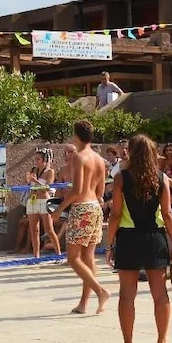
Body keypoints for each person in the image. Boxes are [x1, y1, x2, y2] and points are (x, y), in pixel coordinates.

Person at [104, 134, 172, 343]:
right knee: (160, 293)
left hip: (129, 238)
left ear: (131, 152)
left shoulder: (121, 178)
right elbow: (167, 213)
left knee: (127, 295)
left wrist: (109, 244)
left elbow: (116, 214)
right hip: (155, 237)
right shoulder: (161, 178)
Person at [53, 120, 111, 315]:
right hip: (95, 207)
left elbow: (77, 191)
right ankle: (84, 303)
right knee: (88, 257)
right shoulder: (99, 160)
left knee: (73, 258)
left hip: (82, 208)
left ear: (76, 136)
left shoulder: (79, 157)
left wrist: (59, 209)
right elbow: (100, 192)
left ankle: (100, 291)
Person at [25, 148, 59, 259]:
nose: (36, 161)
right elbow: (28, 184)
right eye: (35, 159)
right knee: (34, 230)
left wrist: (35, 181)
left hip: (44, 200)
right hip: (32, 200)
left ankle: (58, 254)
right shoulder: (33, 169)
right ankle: (36, 256)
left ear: (44, 160)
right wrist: (28, 180)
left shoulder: (50, 172)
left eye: (38, 159)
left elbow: (47, 188)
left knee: (49, 229)